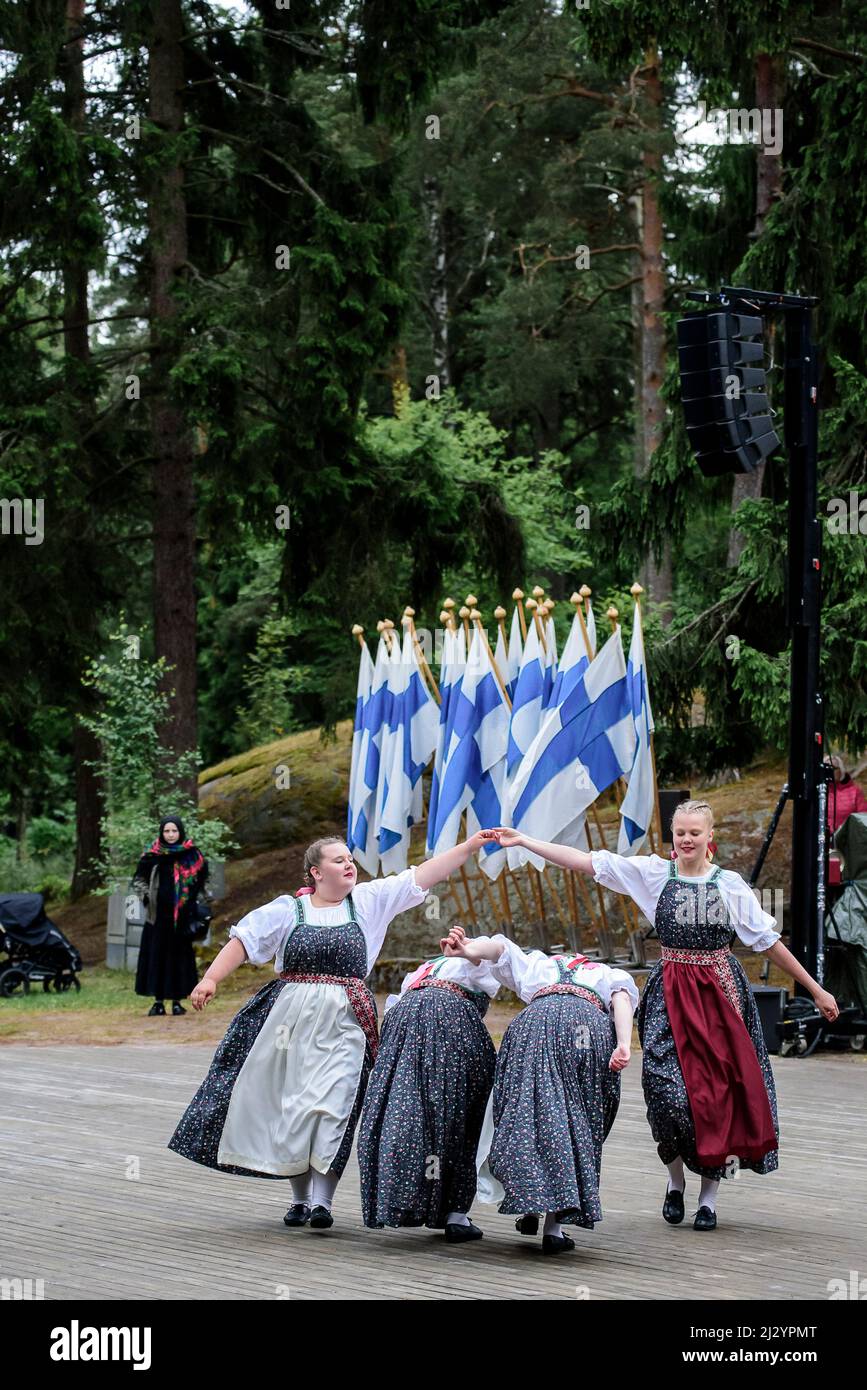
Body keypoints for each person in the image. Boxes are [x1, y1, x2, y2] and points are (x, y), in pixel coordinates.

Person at [491, 804, 839, 1232]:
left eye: (695, 832)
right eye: (680, 833)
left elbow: (768, 942)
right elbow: (588, 862)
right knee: (666, 1095)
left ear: (710, 837)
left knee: (716, 1100)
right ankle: (675, 1181)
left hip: (719, 998)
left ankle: (708, 1200)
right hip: (670, 996)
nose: (686, 840)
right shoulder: (655, 875)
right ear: (672, 836)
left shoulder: (729, 886)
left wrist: (815, 989)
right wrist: (526, 841)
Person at [167, 830, 493, 1231]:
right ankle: (300, 1199)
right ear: (315, 872)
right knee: (293, 1108)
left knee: (335, 1104)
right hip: (288, 1021)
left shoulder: (368, 903)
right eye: (338, 860)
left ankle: (322, 1201)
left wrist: (470, 847)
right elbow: (243, 941)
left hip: (346, 1022)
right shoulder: (288, 910)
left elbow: (422, 876)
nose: (349, 864)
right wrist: (210, 979)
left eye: (350, 859)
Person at [442, 920, 637, 1256]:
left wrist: (469, 949)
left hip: (535, 1025)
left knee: (527, 1113)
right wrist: (623, 1044)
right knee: (575, 1118)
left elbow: (498, 949)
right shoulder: (607, 974)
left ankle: (530, 1202)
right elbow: (621, 1001)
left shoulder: (540, 964)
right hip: (585, 1027)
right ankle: (553, 1227)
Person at [357, 947, 500, 1243]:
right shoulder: (459, 966)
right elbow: (483, 964)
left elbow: (479, 962)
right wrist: (469, 953)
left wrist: (469, 952)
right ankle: (454, 1213)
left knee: (405, 1109)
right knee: (462, 1111)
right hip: (451, 1022)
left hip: (404, 1023)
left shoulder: (419, 973)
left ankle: (406, 1200)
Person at [132, 816, 208, 1017]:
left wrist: (195, 903)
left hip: (183, 918)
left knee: (179, 959)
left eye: (174, 831)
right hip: (157, 918)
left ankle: (177, 1001)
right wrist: (147, 900)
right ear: (161, 833)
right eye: (167, 831)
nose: (171, 835)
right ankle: (158, 1002)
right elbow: (139, 880)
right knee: (157, 957)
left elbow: (201, 882)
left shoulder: (192, 855)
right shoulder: (152, 855)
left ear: (180, 832)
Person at [826, 755, 867, 834]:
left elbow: (863, 817)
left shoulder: (855, 791)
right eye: (828, 768)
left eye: (834, 768)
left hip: (847, 839)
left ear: (841, 770)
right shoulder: (818, 792)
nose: (830, 771)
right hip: (822, 838)